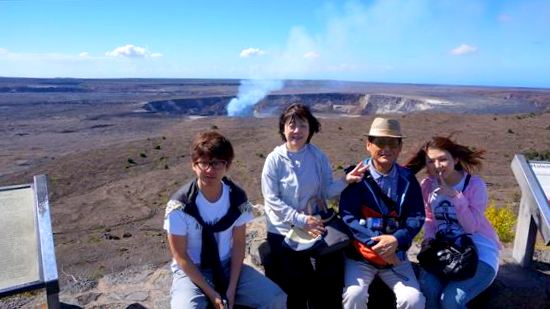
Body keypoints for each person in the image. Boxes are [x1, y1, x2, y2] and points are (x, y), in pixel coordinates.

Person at [164, 131, 286, 309]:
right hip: (192, 270)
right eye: (204, 162)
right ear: (193, 165)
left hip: (227, 265)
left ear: (227, 166)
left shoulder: (236, 198)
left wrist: (231, 288)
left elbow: (238, 245)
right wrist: (212, 294)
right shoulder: (180, 205)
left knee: (275, 298)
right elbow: (180, 256)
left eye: (217, 163)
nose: (209, 170)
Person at [261, 103, 367, 309]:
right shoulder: (274, 160)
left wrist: (346, 180)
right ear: (283, 128)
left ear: (311, 129)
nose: (297, 131)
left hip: (314, 227)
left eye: (302, 125)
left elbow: (326, 190)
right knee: (297, 280)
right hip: (284, 230)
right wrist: (301, 220)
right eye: (291, 126)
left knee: (330, 274)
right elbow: (271, 199)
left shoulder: (317, 156)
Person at [339, 117, 426, 309]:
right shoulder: (356, 176)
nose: (386, 148)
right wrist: (377, 243)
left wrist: (396, 240)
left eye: (392, 142)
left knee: (413, 300)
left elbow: (416, 216)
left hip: (397, 255)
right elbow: (348, 217)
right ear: (368, 145)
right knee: (354, 295)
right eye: (379, 142)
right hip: (361, 256)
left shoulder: (408, 179)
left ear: (400, 146)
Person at [405, 136, 501, 309]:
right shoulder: (427, 185)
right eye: (431, 161)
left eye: (443, 159)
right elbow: (429, 217)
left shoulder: (474, 185)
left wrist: (455, 197)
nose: (437, 165)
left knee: (451, 300)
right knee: (429, 292)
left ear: (455, 159)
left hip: (479, 251)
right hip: (444, 250)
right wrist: (428, 238)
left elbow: (471, 227)